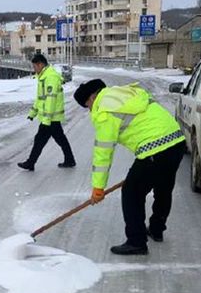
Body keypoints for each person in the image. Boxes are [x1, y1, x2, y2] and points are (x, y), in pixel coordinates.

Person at [74, 80, 186, 255]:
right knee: (163, 187)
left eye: (87, 105)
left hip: (155, 147)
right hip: (176, 141)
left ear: (93, 97)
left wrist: (98, 187)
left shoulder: (104, 109)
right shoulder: (122, 93)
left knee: (131, 192)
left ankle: (136, 241)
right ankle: (156, 229)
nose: (89, 109)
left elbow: (103, 152)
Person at [17, 54, 76, 171]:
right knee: (60, 139)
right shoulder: (44, 76)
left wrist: (46, 120)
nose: (34, 69)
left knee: (39, 140)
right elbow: (40, 98)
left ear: (40, 64)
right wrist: (32, 113)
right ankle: (70, 160)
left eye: (34, 67)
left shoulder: (50, 77)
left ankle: (30, 163)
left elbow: (50, 99)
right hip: (51, 118)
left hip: (51, 118)